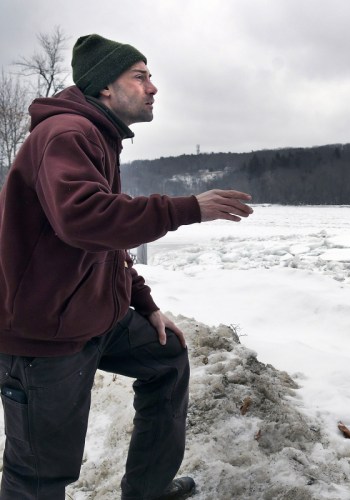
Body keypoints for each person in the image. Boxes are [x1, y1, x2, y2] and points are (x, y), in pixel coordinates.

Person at [0, 34, 253, 499]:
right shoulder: (65, 135)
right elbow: (85, 219)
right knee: (39, 473)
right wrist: (186, 207)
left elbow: (102, 245)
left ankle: (147, 491)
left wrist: (144, 303)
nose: (153, 87)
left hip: (92, 317)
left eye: (151, 76)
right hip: (44, 334)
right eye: (140, 77)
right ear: (104, 90)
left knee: (167, 357)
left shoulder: (99, 138)